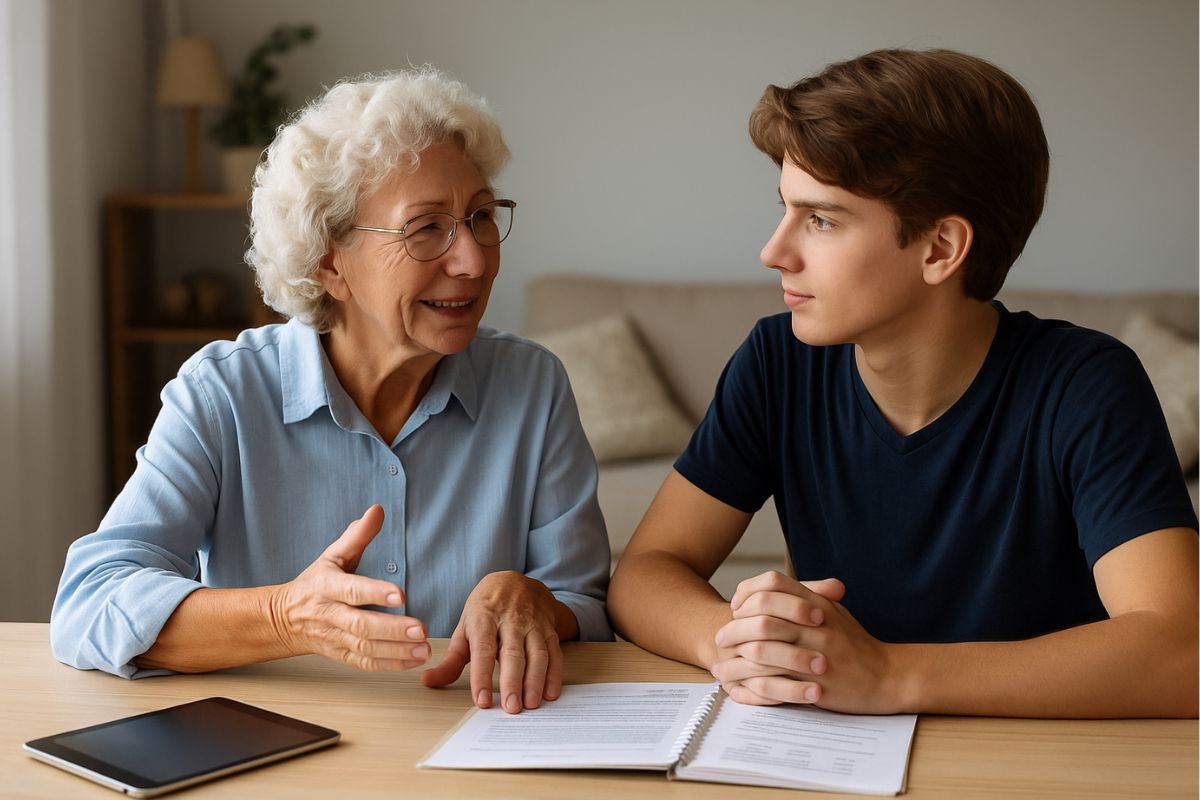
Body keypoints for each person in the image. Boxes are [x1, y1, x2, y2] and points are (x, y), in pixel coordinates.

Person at [608, 48, 1198, 718]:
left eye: (821, 219)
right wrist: (734, 642)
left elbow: (1183, 651)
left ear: (940, 249)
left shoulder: (1086, 386)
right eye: (785, 209)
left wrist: (891, 675)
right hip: (836, 753)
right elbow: (646, 569)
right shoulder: (778, 363)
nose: (774, 251)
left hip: (1038, 758)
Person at [51, 68, 612, 715]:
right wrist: (285, 615)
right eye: (426, 227)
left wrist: (530, 596)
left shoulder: (532, 386)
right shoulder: (224, 395)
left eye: (481, 217)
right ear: (328, 261)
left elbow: (586, 605)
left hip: (481, 746)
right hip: (273, 749)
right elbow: (89, 601)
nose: (475, 261)